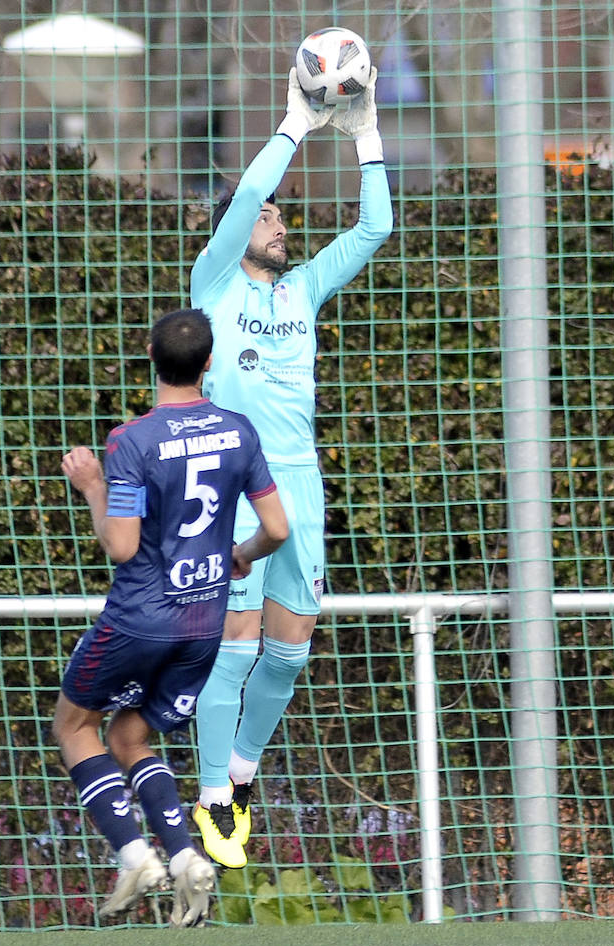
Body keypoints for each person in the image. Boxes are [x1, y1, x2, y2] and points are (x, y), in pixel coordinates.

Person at [186, 63, 393, 869]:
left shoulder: (303, 289)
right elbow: (244, 199)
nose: (278, 222)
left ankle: (239, 776)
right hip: (238, 484)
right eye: (269, 217)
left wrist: (366, 132)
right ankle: (208, 795)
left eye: (278, 215)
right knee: (234, 642)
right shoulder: (213, 286)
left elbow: (374, 228)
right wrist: (297, 124)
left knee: (290, 648)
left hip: (299, 484)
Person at [55, 307, 288, 927]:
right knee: (131, 736)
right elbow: (278, 530)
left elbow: (122, 545)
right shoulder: (239, 432)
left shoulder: (133, 441)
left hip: (140, 617)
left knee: (75, 725)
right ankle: (185, 858)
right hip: (203, 622)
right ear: (208, 363)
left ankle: (134, 853)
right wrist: (239, 557)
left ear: (150, 358)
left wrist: (92, 486)